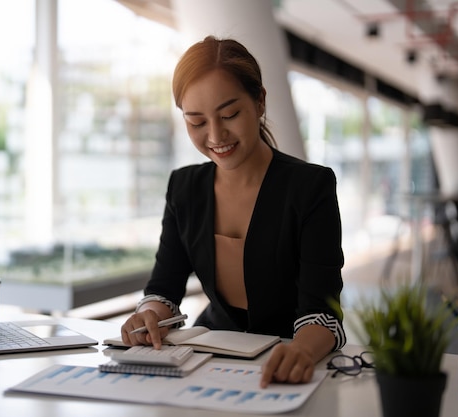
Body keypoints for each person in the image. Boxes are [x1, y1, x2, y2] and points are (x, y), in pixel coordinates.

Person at [120, 36, 346, 388]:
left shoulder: (309, 187)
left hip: (291, 360)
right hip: (207, 362)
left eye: (229, 114)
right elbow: (164, 287)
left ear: (259, 101)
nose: (215, 135)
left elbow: (322, 310)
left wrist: (302, 351)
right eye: (196, 122)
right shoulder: (184, 188)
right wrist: (148, 316)